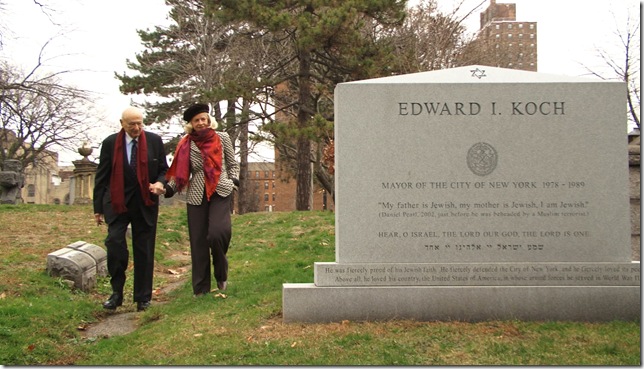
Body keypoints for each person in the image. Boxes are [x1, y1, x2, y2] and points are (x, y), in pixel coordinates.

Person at [93, 106, 170, 311]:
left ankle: (143, 298)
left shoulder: (154, 141)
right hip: (117, 202)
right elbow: (102, 175)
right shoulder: (110, 143)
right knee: (115, 245)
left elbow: (164, 169)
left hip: (146, 202)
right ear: (122, 124)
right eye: (131, 124)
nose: (136, 128)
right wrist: (98, 208)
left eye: (139, 123)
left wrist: (161, 183)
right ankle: (116, 293)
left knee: (144, 249)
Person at [164, 103, 240, 296]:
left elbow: (232, 163)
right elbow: (179, 173)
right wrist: (166, 189)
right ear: (191, 123)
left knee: (218, 233)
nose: (201, 123)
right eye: (196, 120)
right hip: (197, 193)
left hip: (221, 189)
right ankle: (200, 289)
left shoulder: (222, 138)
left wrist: (233, 180)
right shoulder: (185, 144)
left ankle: (221, 274)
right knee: (198, 242)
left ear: (209, 120)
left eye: (203, 119)